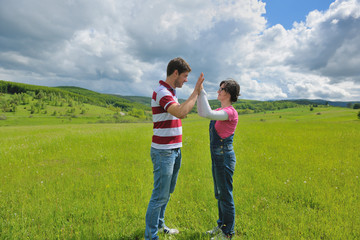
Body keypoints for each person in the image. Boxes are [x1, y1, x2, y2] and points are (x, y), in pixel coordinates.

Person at [145, 57, 205, 240]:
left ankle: (160, 226)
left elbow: (177, 113)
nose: (186, 80)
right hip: (164, 151)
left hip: (174, 149)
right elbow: (180, 112)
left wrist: (180, 111)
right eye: (185, 76)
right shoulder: (162, 91)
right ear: (176, 73)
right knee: (159, 195)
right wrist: (196, 92)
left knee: (167, 192)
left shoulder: (171, 91)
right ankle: (151, 236)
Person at [197, 79, 240, 240]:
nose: (218, 91)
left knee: (226, 195)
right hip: (217, 158)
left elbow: (207, 113)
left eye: (221, 89)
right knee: (219, 194)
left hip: (224, 158)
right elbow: (203, 112)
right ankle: (222, 225)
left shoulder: (230, 112)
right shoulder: (220, 110)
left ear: (228, 93)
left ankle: (228, 233)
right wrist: (199, 93)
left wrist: (202, 92)